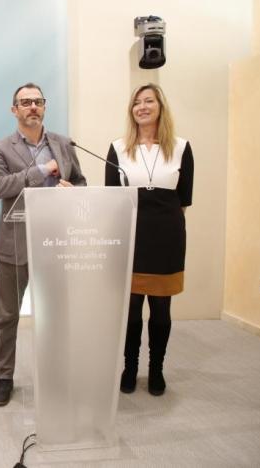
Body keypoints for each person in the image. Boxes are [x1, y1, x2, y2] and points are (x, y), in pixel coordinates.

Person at [0, 83, 87, 406]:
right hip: (14, 245)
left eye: (38, 101)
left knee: (55, 314)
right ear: (14, 110)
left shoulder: (63, 144)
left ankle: (55, 374)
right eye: (25, 102)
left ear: (44, 106)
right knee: (7, 317)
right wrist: (41, 171)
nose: (33, 106)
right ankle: (4, 376)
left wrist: (74, 190)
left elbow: (81, 181)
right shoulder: (0, 148)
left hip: (56, 243)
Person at [105, 83, 194, 396]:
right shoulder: (118, 148)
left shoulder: (181, 147)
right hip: (130, 237)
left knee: (160, 312)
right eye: (136, 103)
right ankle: (129, 369)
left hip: (167, 239)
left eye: (149, 101)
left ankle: (156, 370)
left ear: (160, 106)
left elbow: (183, 200)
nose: (142, 107)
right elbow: (111, 200)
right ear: (131, 111)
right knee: (131, 313)